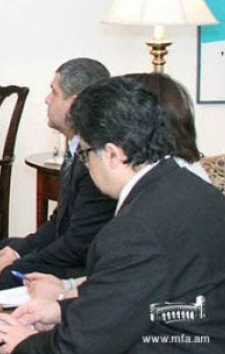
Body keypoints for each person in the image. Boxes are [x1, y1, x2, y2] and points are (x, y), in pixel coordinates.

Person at [0, 77, 225, 353]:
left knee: (3, 337)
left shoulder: (135, 230)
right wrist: (60, 309)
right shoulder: (192, 187)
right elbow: (125, 299)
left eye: (85, 155)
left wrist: (23, 343)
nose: (87, 165)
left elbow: (81, 345)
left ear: (113, 155)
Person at [25, 72, 213, 303]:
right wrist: (67, 288)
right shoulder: (183, 183)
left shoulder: (140, 221)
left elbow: (121, 298)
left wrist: (62, 298)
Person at [0, 58, 116, 290]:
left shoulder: (97, 162)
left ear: (75, 103)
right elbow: (59, 222)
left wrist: (15, 263)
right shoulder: (77, 147)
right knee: (6, 246)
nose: (47, 99)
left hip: (89, 265)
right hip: (72, 249)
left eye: (54, 92)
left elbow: (77, 245)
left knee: (10, 275)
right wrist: (14, 253)